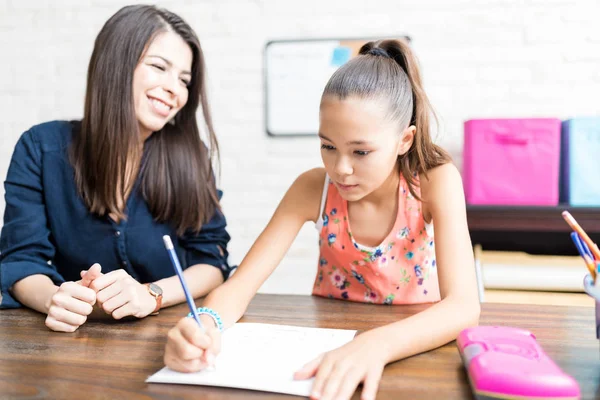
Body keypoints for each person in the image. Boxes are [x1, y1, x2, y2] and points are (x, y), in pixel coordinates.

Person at [164, 39, 481, 400]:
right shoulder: (312, 188)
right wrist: (202, 324)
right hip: (326, 345)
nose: (341, 169)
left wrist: (376, 345)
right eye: (328, 146)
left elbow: (463, 306)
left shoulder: (434, 180)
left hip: (414, 343)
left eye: (361, 151)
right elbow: (239, 287)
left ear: (404, 140)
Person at [0, 5, 233, 333]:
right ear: (115, 66)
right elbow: (21, 260)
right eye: (158, 67)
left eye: (184, 80)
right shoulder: (40, 148)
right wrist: (56, 299)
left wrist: (151, 294)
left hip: (172, 335)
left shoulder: (191, 156)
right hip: (74, 342)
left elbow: (212, 263)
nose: (175, 90)